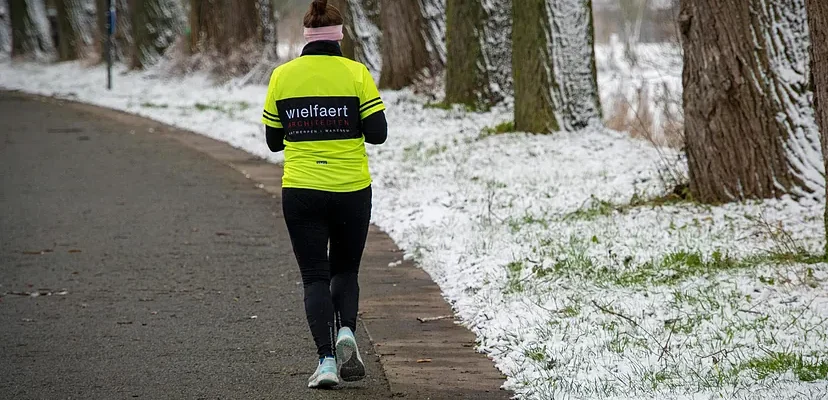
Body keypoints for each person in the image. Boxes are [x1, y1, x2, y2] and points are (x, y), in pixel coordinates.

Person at [260, 0, 388, 389]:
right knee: (345, 271)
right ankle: (347, 330)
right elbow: (378, 133)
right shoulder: (356, 74)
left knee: (314, 277)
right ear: (340, 36)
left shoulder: (282, 76)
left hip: (301, 191)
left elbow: (273, 142)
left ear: (306, 36)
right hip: (351, 189)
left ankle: (327, 361)